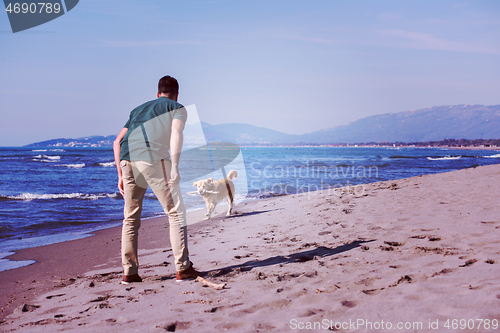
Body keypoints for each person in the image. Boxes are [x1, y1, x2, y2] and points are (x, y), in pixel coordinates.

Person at [113, 75, 203, 284]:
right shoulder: (177, 107)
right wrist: (176, 167)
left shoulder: (138, 110)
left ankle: (130, 272)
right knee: (176, 212)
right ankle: (183, 268)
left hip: (127, 159)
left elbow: (117, 141)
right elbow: (176, 133)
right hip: (152, 158)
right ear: (176, 94)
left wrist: (119, 174)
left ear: (157, 93)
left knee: (130, 218)